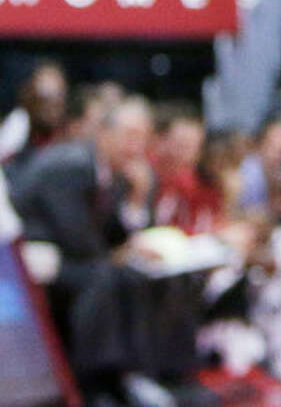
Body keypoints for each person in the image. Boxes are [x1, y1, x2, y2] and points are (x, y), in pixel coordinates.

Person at [12, 96, 205, 404]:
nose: (136, 148)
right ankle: (96, 385)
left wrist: (137, 202)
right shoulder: (70, 165)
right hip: (29, 265)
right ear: (103, 133)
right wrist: (125, 252)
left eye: (142, 138)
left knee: (155, 274)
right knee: (104, 278)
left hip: (74, 260)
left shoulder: (122, 175)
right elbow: (79, 241)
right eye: (130, 137)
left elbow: (123, 238)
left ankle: (166, 373)